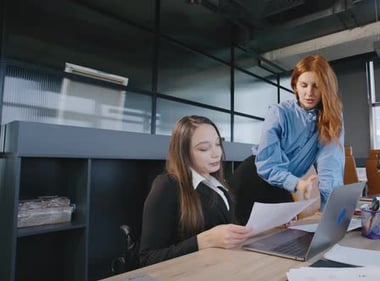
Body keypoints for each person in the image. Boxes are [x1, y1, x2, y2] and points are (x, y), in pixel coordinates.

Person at [229, 54, 345, 225]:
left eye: (316, 86)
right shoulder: (278, 113)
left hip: (285, 185)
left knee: (285, 237)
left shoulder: (332, 118)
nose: (309, 93)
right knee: (242, 242)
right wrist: (297, 183)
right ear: (295, 86)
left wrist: (332, 212)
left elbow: (331, 167)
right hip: (253, 180)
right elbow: (268, 166)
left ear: (325, 88)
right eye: (303, 85)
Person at [139, 115, 252, 267]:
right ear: (184, 152)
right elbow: (148, 258)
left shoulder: (219, 184)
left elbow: (229, 229)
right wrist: (204, 241)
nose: (216, 153)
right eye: (204, 148)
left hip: (223, 269)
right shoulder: (167, 186)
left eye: (218, 144)